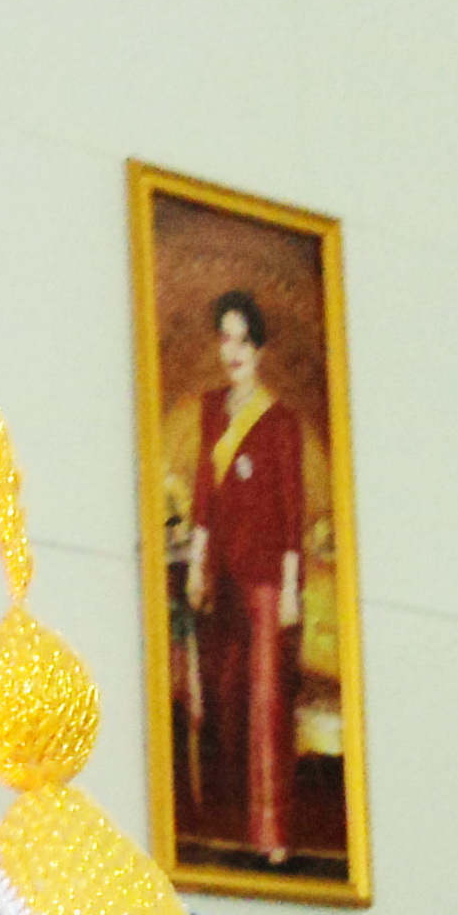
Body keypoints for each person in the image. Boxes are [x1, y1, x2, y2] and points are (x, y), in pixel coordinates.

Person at [179, 288, 310, 865]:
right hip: (223, 577)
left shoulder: (281, 422)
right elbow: (204, 495)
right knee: (227, 699)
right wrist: (198, 563)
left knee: (265, 707)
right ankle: (231, 823)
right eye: (224, 338)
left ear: (259, 348)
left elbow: (292, 510)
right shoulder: (213, 409)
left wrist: (290, 587)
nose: (231, 350)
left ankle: (271, 834)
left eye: (242, 340)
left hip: (265, 582)